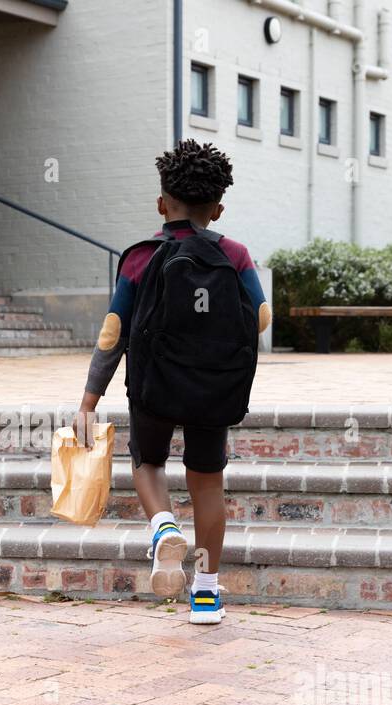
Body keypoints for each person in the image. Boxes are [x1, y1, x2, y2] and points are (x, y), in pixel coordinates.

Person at [74, 140, 271, 624]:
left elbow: (112, 334)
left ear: (162, 204)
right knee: (208, 485)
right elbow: (261, 318)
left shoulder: (141, 258)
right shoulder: (237, 255)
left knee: (148, 462)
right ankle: (205, 593)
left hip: (153, 386)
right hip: (213, 387)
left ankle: (163, 528)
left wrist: (88, 403)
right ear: (218, 209)